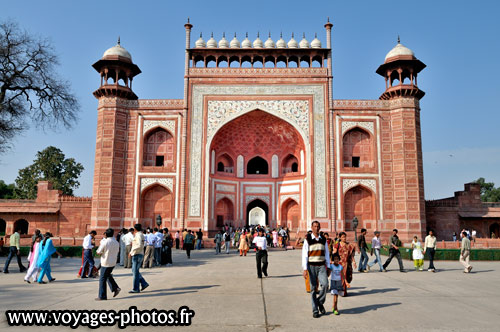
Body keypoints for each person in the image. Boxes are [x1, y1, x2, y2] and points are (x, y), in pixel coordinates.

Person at [302, 221, 330, 318]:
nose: (317, 228)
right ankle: (315, 310)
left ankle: (319, 302)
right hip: (311, 266)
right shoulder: (308, 239)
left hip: (321, 265)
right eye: (315, 226)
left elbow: (327, 253)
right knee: (313, 288)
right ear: (312, 227)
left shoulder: (323, 239)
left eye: (318, 226)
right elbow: (304, 255)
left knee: (325, 285)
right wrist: (305, 269)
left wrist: (329, 266)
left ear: (320, 227)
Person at [96, 228, 120, 300]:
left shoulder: (105, 242)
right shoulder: (116, 242)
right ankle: (115, 288)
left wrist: (101, 253)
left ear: (106, 234)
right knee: (108, 275)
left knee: (102, 278)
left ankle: (102, 296)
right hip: (113, 262)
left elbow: (99, 251)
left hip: (106, 262)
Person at [333, 232, 356, 296]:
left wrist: (354, 262)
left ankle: (342, 291)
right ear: (340, 238)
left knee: (348, 277)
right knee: (342, 278)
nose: (344, 238)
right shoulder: (337, 245)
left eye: (345, 237)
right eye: (343, 237)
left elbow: (351, 255)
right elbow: (334, 253)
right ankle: (343, 292)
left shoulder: (348, 245)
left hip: (347, 263)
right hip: (340, 264)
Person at [129, 224, 149, 293]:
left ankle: (136, 288)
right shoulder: (141, 234)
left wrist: (131, 252)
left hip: (137, 254)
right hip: (139, 254)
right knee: (135, 271)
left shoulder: (138, 235)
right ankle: (143, 283)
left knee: (135, 272)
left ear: (135, 229)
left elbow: (139, 245)